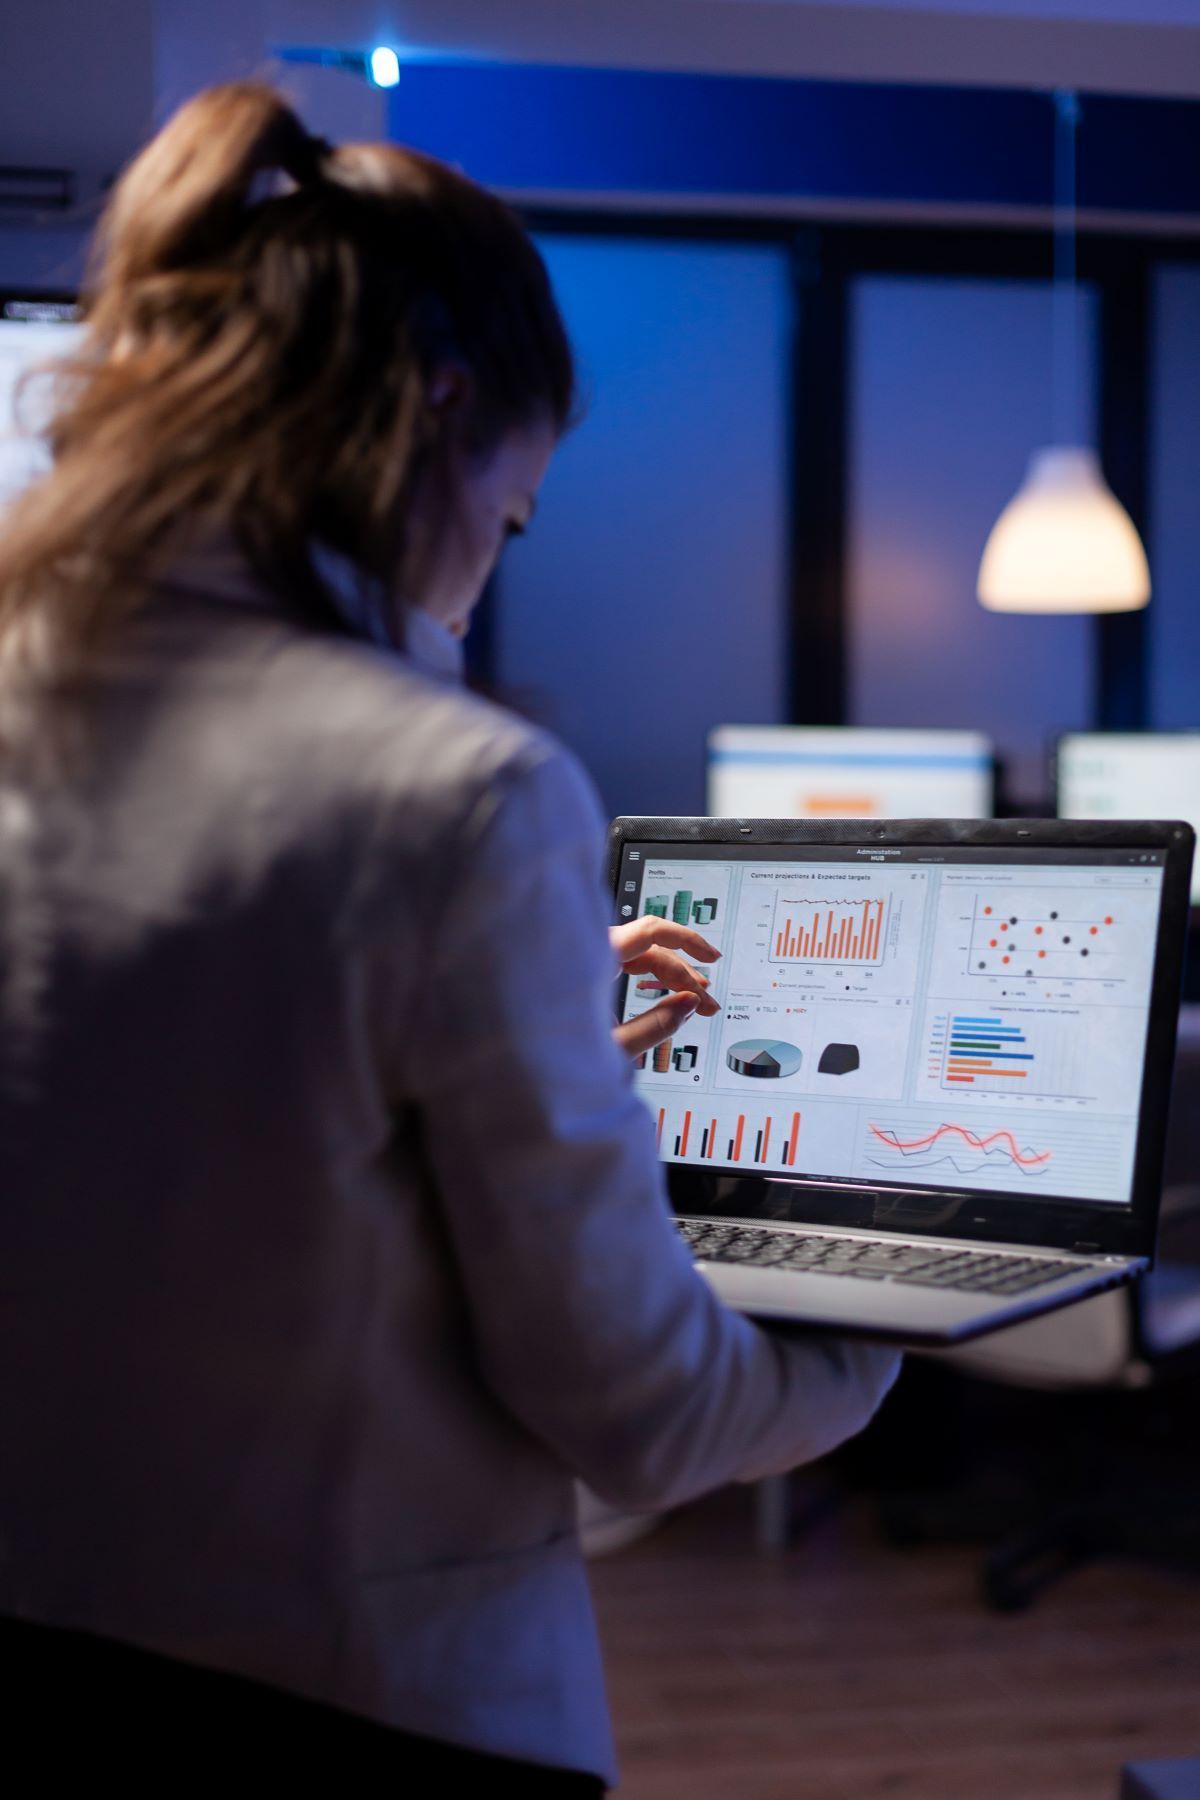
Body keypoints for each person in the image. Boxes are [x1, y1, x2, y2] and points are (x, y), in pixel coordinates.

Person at [0, 84, 900, 1791]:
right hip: (359, 1692)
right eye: (507, 520)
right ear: (439, 404)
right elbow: (641, 1413)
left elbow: (191, 1138)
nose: (479, 585)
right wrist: (886, 1328)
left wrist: (537, 1017)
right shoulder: (461, 794)